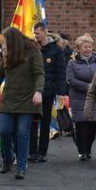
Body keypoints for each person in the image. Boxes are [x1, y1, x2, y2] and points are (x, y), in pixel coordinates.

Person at [0, 27, 45, 179]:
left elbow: (39, 73)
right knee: (4, 131)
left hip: (27, 99)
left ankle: (21, 166)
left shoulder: (33, 51)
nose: (4, 44)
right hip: (9, 99)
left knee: (22, 133)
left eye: (7, 41)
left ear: (14, 40)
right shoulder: (7, 55)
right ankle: (7, 159)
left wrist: (38, 91)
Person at [29, 22, 67, 162]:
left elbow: (60, 73)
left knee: (45, 122)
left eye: (37, 33)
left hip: (48, 91)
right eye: (33, 33)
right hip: (32, 92)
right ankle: (31, 151)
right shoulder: (32, 47)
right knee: (32, 122)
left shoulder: (56, 50)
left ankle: (42, 152)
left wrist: (61, 93)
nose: (35, 36)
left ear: (45, 32)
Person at [66, 35, 96, 160]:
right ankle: (82, 150)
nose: (88, 49)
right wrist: (87, 86)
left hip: (95, 98)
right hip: (78, 97)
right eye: (85, 47)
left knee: (92, 126)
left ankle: (88, 148)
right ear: (79, 49)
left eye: (90, 47)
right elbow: (70, 79)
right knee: (81, 125)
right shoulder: (72, 62)